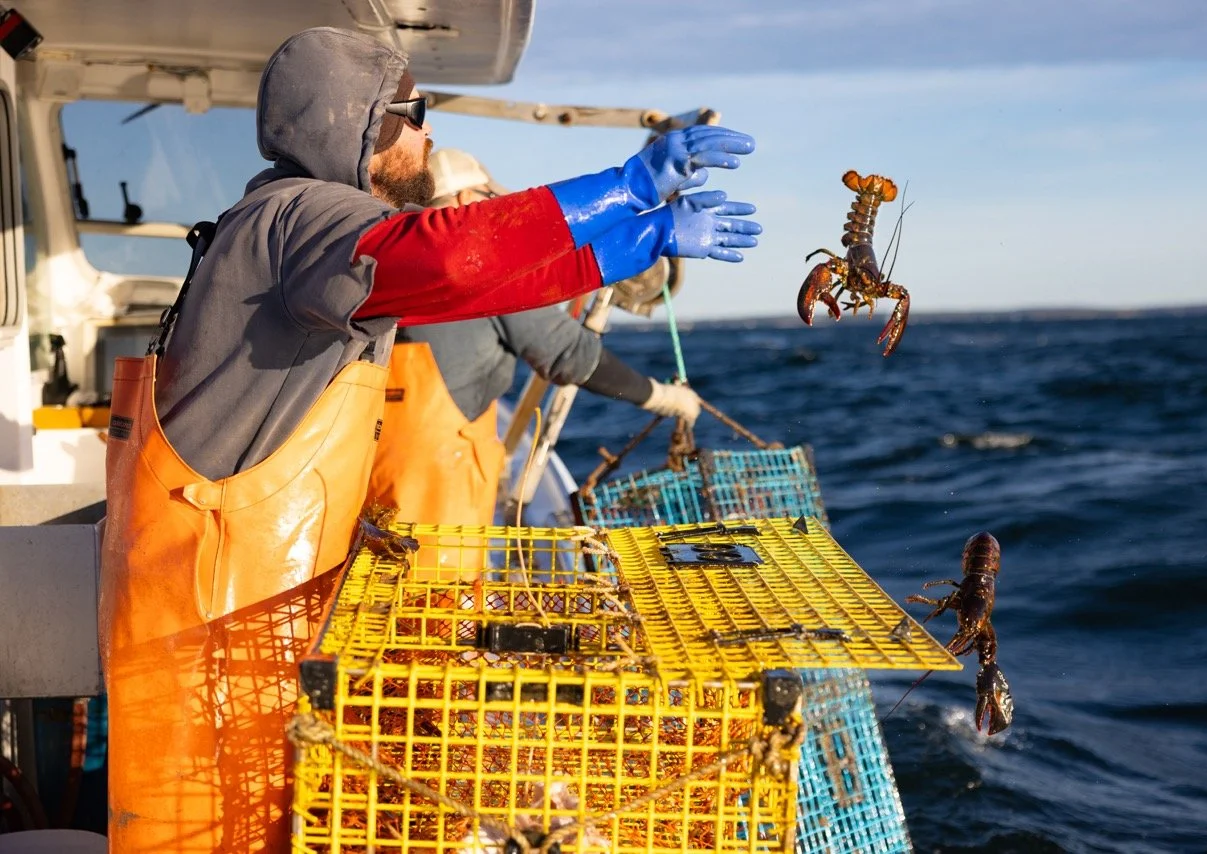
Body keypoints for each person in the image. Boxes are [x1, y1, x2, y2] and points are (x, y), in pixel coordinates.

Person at [98, 26, 761, 853]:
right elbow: (454, 261)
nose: (429, 131)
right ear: (363, 122)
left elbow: (484, 283)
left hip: (244, 593)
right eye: (416, 113)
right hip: (213, 613)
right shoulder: (306, 218)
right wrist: (623, 186)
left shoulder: (300, 225)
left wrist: (638, 235)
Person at [366, 149, 700, 561]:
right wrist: (663, 398)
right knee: (440, 601)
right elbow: (568, 353)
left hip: (372, 463)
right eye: (485, 198)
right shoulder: (479, 268)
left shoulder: (389, 260)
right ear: (460, 202)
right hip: (439, 479)